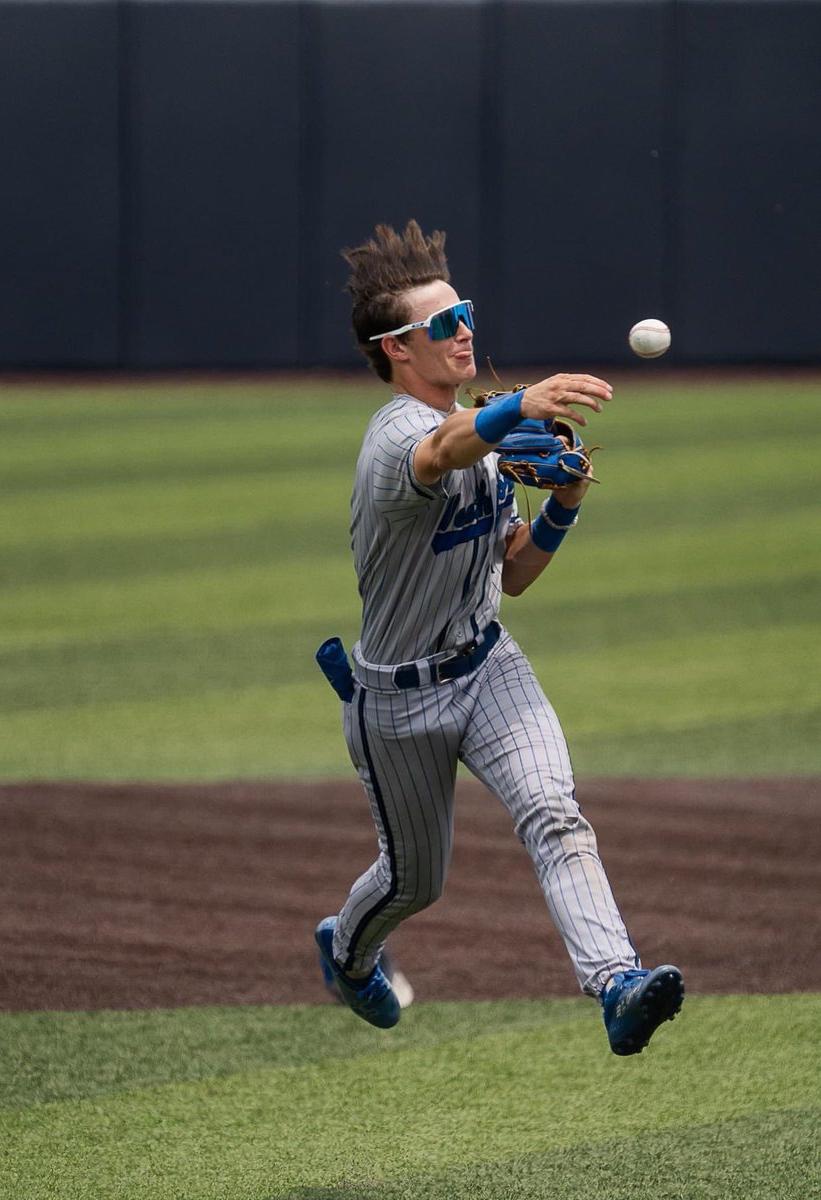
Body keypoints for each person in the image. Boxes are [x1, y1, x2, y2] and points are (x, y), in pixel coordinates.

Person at [314, 220, 683, 1055]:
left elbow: (511, 573)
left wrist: (565, 504)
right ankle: (349, 952)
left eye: (465, 313)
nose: (464, 331)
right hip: (397, 702)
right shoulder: (396, 440)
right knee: (414, 882)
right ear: (397, 350)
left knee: (556, 812)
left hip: (488, 667)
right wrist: (521, 403)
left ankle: (617, 983)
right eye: (443, 324)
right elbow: (443, 447)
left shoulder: (482, 435)